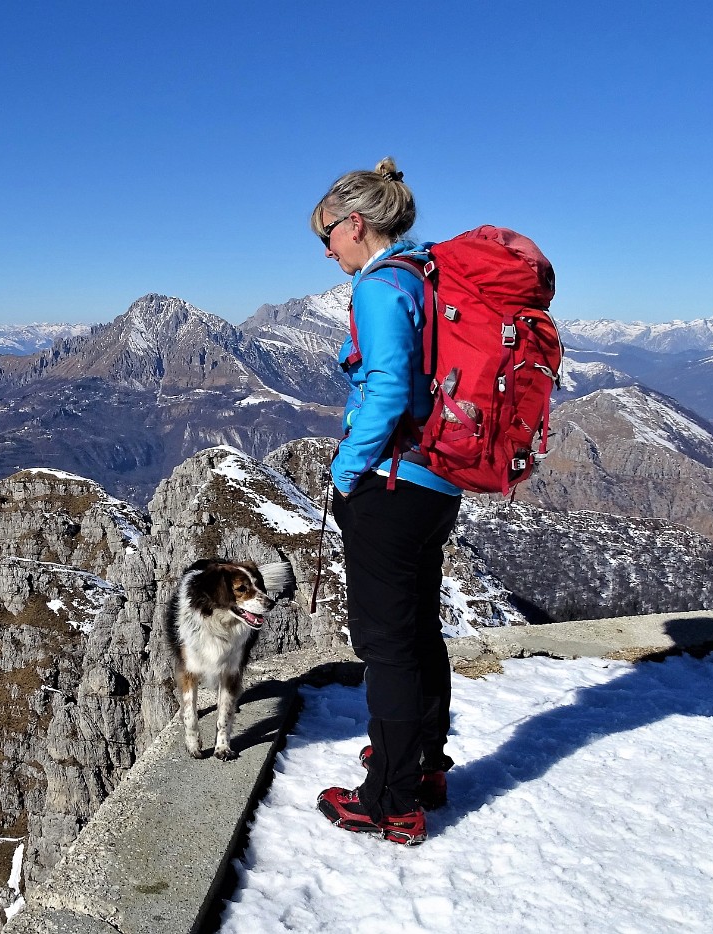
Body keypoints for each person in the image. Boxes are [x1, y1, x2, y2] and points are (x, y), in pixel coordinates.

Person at [310, 157, 462, 847]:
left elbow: (389, 388)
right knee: (419, 629)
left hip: (392, 486)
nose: (326, 250)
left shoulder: (379, 288)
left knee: (387, 646)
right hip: (434, 483)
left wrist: (347, 470)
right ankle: (422, 762)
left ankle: (389, 802)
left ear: (355, 224)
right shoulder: (425, 277)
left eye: (327, 237)